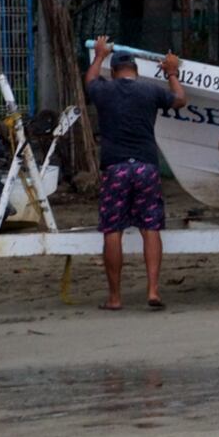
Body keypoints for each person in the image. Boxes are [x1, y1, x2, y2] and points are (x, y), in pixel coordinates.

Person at [85, 35, 186, 311]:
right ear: (136, 71)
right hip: (146, 166)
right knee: (150, 227)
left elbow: (90, 81)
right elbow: (179, 100)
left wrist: (98, 55)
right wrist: (173, 72)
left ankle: (115, 297)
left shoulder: (104, 91)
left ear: (115, 71)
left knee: (113, 229)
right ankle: (153, 290)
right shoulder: (149, 91)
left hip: (115, 167)